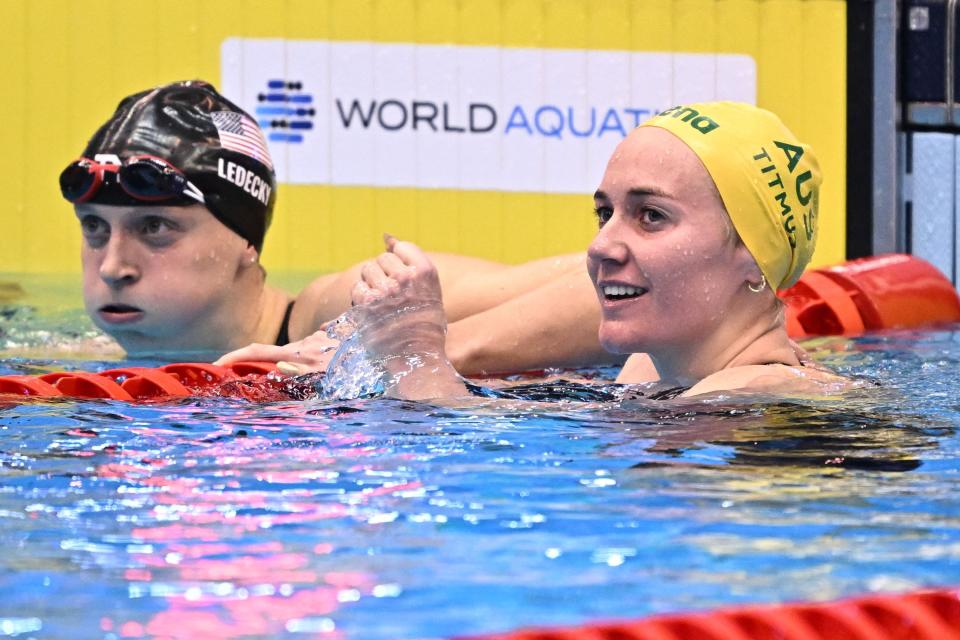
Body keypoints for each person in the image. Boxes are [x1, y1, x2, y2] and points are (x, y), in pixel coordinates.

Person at [60, 80, 614, 372]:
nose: (113, 266)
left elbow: (617, 292)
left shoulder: (346, 310)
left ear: (245, 238)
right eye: (94, 228)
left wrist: (402, 347)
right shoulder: (75, 358)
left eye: (154, 227)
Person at [341, 102, 851, 400]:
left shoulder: (746, 399)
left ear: (752, 257)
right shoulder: (654, 371)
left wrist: (417, 355)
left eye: (651, 215)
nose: (602, 245)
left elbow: (481, 472)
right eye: (605, 213)